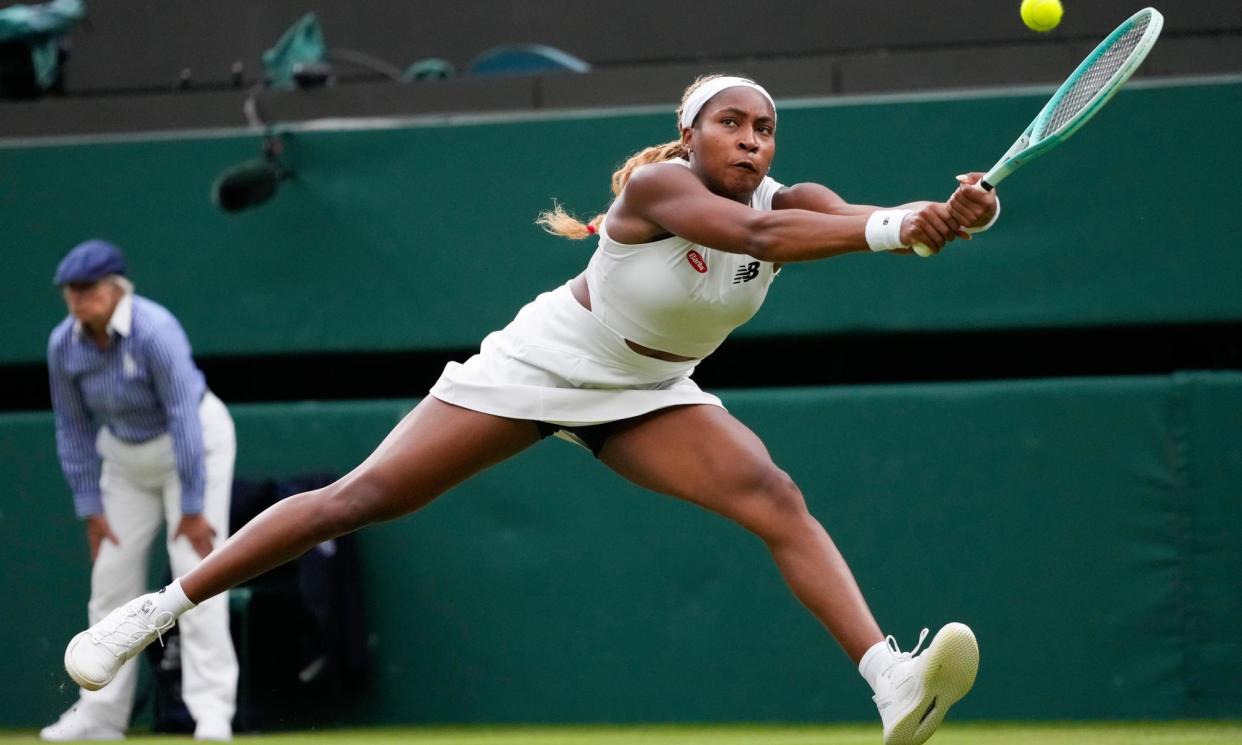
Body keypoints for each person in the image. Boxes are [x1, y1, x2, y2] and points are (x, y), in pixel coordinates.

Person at [59, 76, 998, 745]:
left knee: (771, 492)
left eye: (764, 129)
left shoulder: (792, 198)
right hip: (546, 358)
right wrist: (894, 229)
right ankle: (154, 611)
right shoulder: (658, 187)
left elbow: (848, 218)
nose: (752, 142)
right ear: (690, 133)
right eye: (731, 124)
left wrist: (946, 214)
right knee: (361, 498)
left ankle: (890, 681)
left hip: (652, 388)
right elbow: (762, 236)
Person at [43, 240, 238, 742]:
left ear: (115, 288)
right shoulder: (63, 345)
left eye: (86, 289)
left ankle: (211, 714)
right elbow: (72, 428)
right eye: (70, 291)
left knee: (199, 577)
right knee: (110, 583)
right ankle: (99, 718)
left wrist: (192, 508)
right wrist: (91, 506)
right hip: (125, 464)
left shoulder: (154, 330)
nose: (76, 300)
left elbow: (183, 419)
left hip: (194, 451)